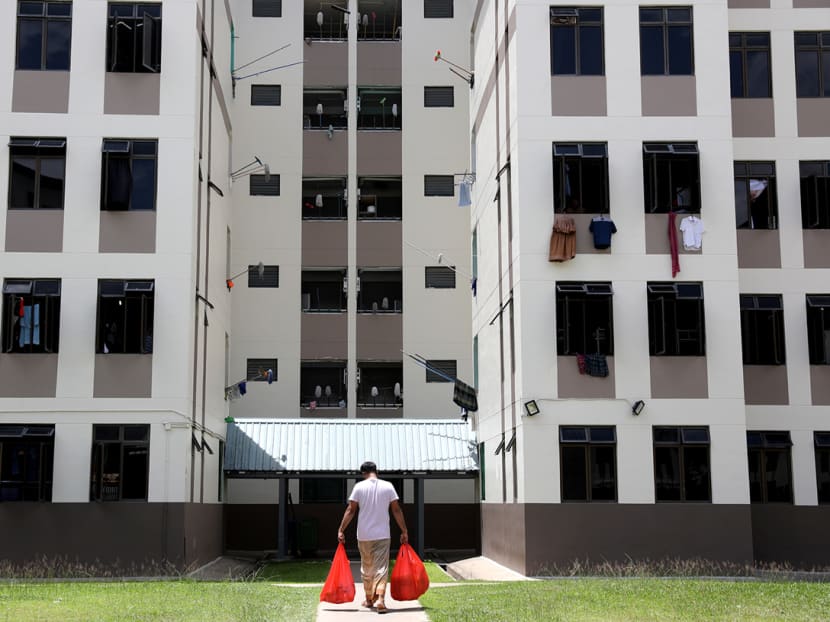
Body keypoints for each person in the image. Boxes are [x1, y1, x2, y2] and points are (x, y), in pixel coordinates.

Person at [337, 461, 408, 614]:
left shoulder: (359, 487)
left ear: (363, 473)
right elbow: (396, 510)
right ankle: (381, 599)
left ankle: (369, 599)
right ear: (376, 471)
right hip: (382, 534)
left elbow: (350, 510)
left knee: (367, 567)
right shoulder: (388, 486)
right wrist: (404, 530)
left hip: (364, 535)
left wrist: (341, 529)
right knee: (381, 568)